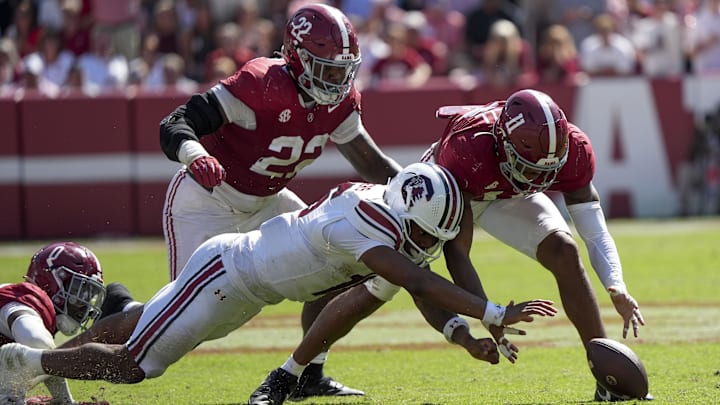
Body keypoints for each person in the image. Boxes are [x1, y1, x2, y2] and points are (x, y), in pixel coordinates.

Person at [0, 163, 558, 405]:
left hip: (244, 287)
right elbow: (418, 278)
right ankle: (26, 365)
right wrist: (494, 312)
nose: (423, 240)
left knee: (143, 331)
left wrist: (465, 333)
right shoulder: (362, 222)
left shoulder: (392, 215)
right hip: (226, 275)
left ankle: (38, 372)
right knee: (134, 366)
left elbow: (413, 289)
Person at [250, 89, 650, 403]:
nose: (537, 177)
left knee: (565, 250)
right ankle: (303, 369)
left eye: (546, 170)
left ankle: (606, 373)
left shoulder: (570, 148)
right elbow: (457, 255)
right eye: (529, 167)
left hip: (501, 191)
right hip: (455, 194)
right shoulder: (468, 149)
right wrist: (489, 318)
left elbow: (591, 226)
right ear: (504, 145)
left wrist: (616, 284)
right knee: (377, 282)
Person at [97, 3, 404, 400]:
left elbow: (369, 160)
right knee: (183, 325)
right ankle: (114, 315)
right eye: (326, 68)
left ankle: (310, 373)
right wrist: (196, 155)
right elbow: (175, 122)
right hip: (208, 199)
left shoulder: (339, 100)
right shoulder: (260, 83)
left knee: (336, 259)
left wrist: (413, 187)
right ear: (296, 57)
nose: (336, 79)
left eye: (343, 69)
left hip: (268, 202)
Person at [0, 242, 106, 405]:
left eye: (90, 294)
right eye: (81, 290)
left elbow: (46, 359)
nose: (86, 304)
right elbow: (36, 342)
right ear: (51, 283)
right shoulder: (26, 301)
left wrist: (65, 401)